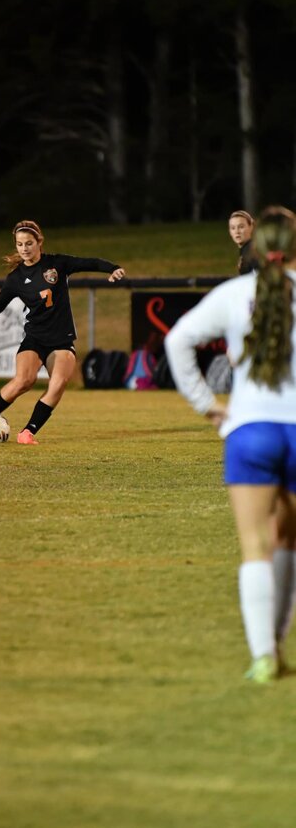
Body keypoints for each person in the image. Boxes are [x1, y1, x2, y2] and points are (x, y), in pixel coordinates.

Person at [165, 205, 296, 684]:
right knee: (288, 543)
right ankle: (277, 645)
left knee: (254, 545)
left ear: (254, 248)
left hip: (251, 432)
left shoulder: (235, 293)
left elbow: (177, 341)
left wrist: (208, 407)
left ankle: (264, 656)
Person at [0, 219, 126, 444]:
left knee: (59, 383)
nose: (24, 248)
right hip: (35, 338)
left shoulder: (57, 264)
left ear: (39, 242)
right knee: (23, 380)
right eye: (20, 244)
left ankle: (27, 432)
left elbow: (88, 262)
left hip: (61, 340)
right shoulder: (15, 278)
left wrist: (113, 268)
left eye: (29, 243)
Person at [228, 209, 259, 275]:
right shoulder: (246, 249)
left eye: (241, 227)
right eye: (233, 228)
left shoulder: (252, 251)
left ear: (251, 227)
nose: (237, 231)